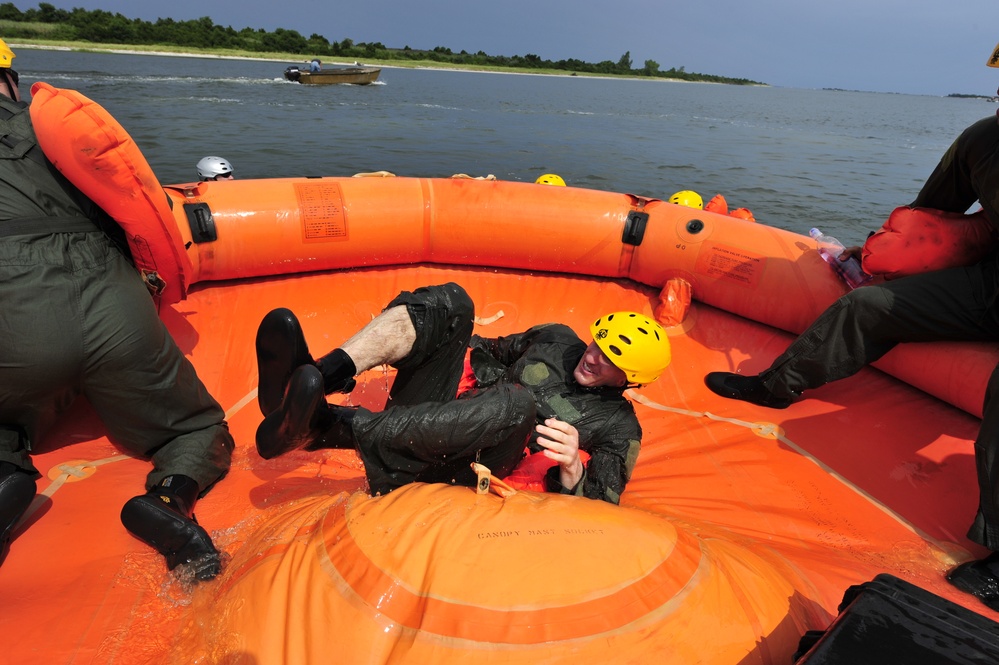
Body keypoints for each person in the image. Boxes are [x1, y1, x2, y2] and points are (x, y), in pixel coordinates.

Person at [704, 40, 999, 612]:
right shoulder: (984, 140)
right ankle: (776, 386)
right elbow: (932, 214)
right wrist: (883, 257)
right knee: (872, 306)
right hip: (990, 284)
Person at [0, 39, 234, 580]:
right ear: (12, 81)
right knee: (196, 428)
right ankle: (172, 499)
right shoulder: (58, 129)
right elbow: (140, 210)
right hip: (115, 309)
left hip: (14, 324)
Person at [254, 283, 671, 503]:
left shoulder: (620, 427)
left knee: (516, 403)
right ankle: (316, 377)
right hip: (429, 418)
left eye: (610, 360)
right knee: (454, 304)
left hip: (461, 465)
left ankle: (323, 428)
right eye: (599, 342)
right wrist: (461, 353)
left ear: (628, 379)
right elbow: (486, 347)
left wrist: (573, 471)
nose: (593, 357)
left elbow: (602, 504)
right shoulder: (558, 339)